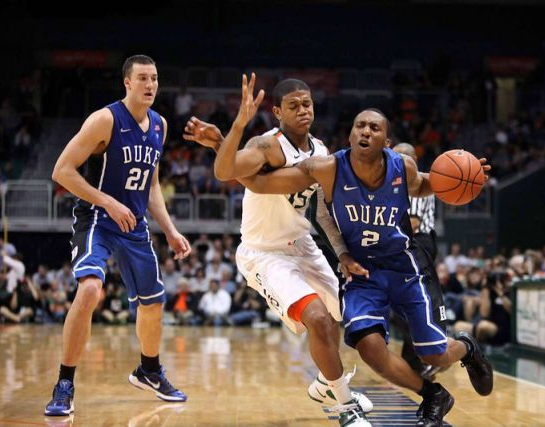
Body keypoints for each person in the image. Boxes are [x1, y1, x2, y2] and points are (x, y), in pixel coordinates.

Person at [243, 108, 494, 426]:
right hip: (363, 272)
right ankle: (433, 395)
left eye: (374, 128)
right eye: (359, 126)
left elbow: (425, 184)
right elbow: (262, 183)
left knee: (434, 355)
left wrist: (467, 181)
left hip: (405, 267)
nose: (365, 131)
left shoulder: (402, 166)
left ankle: (467, 348)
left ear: (386, 141)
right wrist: (225, 150)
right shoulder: (329, 167)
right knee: (369, 348)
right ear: (349, 136)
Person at [184, 74, 372, 427]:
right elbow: (226, 171)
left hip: (303, 245)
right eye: (294, 105)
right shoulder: (268, 145)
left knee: (338, 322)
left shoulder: (320, 151)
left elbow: (319, 210)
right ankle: (345, 407)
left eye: (307, 104)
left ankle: (324, 386)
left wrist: (343, 253)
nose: (303, 110)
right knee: (316, 318)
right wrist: (238, 123)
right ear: (277, 112)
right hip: (265, 253)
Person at [45, 55, 191, 417]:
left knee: (154, 303)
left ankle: (149, 370)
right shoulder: (105, 119)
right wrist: (107, 201)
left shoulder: (160, 125)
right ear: (127, 82)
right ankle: (65, 382)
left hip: (134, 224)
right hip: (97, 217)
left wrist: (170, 230)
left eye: (154, 78)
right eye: (142, 78)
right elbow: (62, 171)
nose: (150, 85)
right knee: (91, 289)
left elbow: (152, 185)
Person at [392, 142, 441, 380]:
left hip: (418, 242)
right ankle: (414, 357)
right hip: (405, 242)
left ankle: (430, 352)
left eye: (404, 158)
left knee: (411, 302)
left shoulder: (414, 183)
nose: (398, 162)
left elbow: (412, 223)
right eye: (395, 157)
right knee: (398, 304)